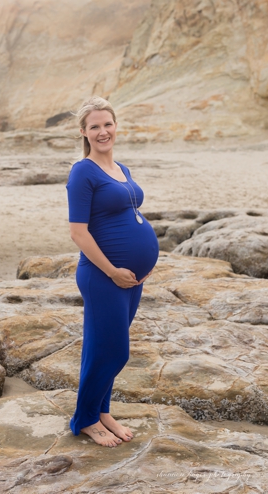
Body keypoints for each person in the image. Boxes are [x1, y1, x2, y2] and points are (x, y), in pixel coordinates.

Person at [65, 97, 158, 447]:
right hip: (102, 277)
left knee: (102, 348)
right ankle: (85, 419)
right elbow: (78, 233)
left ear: (116, 126)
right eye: (95, 126)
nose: (103, 132)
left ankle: (101, 412)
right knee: (114, 351)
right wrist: (113, 271)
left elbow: (128, 214)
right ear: (83, 132)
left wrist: (143, 261)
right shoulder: (83, 172)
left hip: (129, 278)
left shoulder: (122, 169)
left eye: (107, 124)